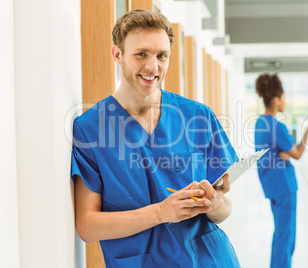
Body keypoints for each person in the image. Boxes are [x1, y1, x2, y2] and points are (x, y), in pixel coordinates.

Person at [71, 9, 241, 267]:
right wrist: (161, 212)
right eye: (141, 54)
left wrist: (214, 204)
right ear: (118, 55)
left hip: (207, 259)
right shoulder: (90, 129)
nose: (153, 66)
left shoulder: (198, 117)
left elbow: (224, 210)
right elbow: (87, 225)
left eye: (162, 55)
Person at [254, 73, 308, 268]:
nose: (286, 101)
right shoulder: (277, 126)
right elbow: (298, 153)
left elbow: (277, 152)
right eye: (283, 97)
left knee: (280, 234)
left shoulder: (260, 123)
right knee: (286, 238)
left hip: (271, 186)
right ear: (276, 100)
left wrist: (285, 153)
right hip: (285, 186)